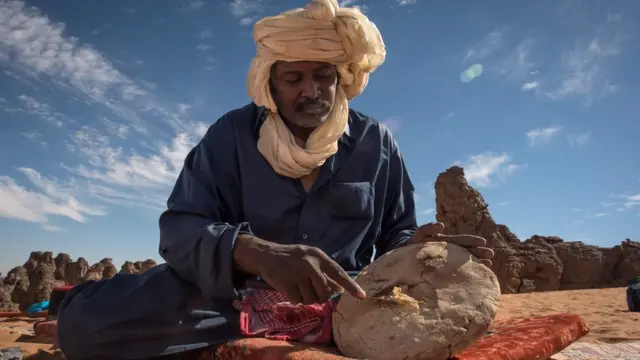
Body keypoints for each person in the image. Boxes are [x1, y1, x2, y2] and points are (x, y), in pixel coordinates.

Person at [56, 0, 494, 359]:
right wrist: (257, 253)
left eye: (323, 75)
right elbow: (179, 228)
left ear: (340, 79)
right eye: (294, 78)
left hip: (343, 303)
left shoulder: (375, 142)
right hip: (230, 300)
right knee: (86, 325)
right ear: (271, 84)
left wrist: (422, 250)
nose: (311, 90)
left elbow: (395, 236)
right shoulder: (231, 135)